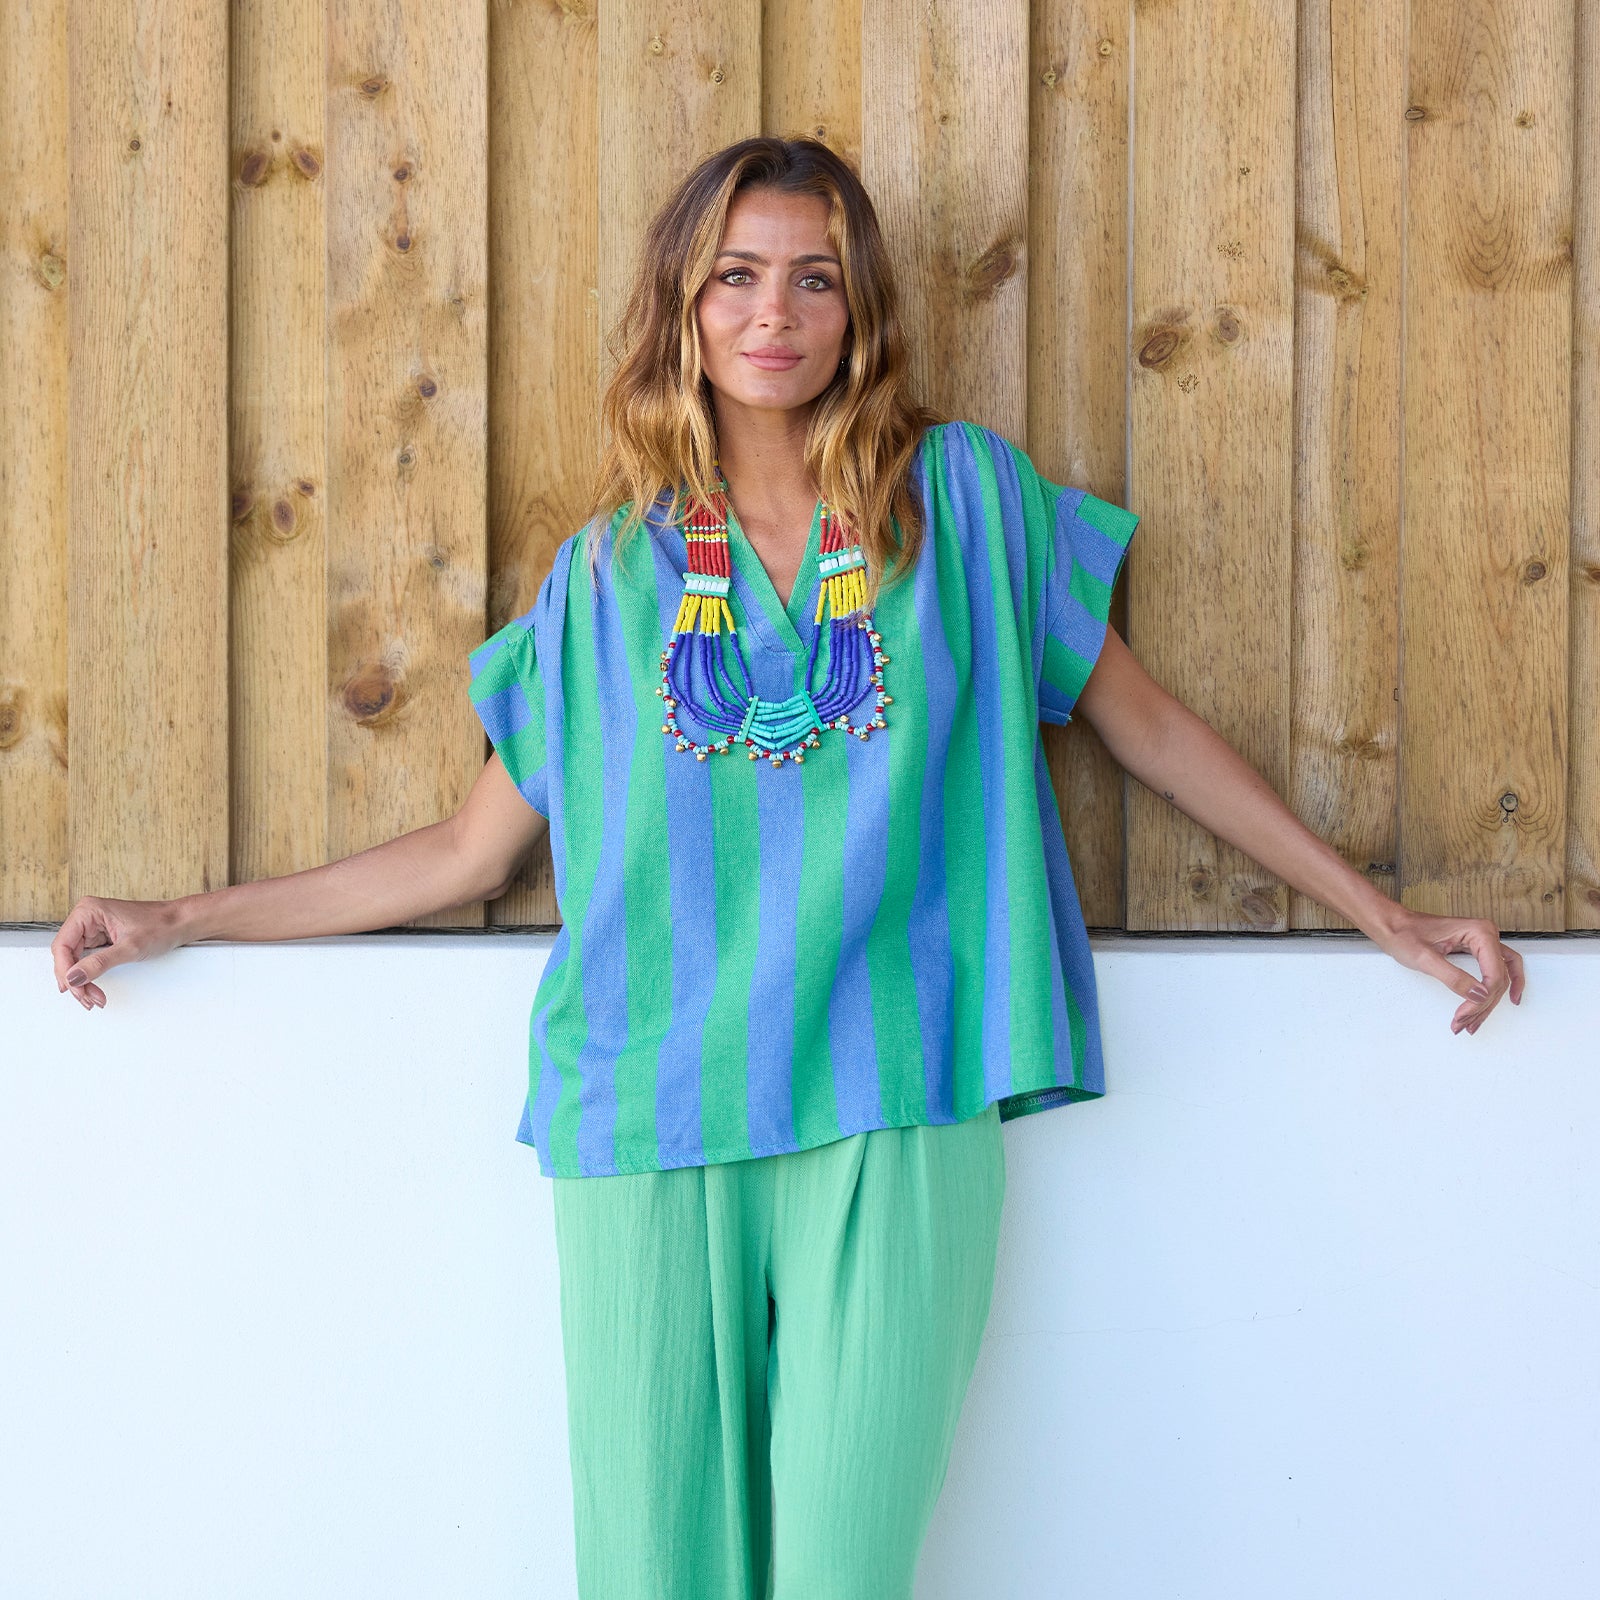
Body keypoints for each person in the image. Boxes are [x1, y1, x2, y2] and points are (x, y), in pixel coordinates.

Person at [51, 137, 1524, 1599]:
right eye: (736, 277)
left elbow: (1147, 729)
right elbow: (466, 849)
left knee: (842, 1574)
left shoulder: (966, 506)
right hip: (649, 1114)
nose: (775, 314)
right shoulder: (606, 576)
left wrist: (1378, 912)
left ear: (858, 306)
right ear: (683, 307)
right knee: (655, 1575)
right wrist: (181, 918)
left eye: (815, 279)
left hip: (900, 1100)